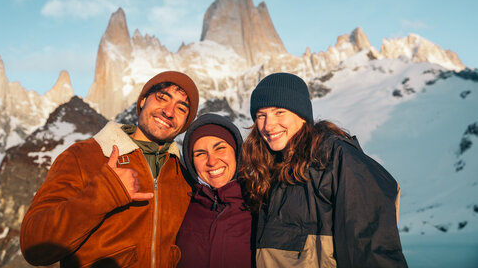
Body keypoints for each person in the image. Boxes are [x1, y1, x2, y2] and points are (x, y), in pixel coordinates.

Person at [20, 71, 199, 268]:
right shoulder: (83, 156)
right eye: (162, 97)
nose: (169, 111)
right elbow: (34, 247)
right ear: (142, 101)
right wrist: (105, 192)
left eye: (181, 109)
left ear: (184, 125)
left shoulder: (184, 176)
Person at [240, 72, 408, 268]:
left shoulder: (335, 159)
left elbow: (371, 250)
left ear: (302, 115)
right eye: (261, 116)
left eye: (279, 112)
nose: (268, 125)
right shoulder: (267, 170)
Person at [176, 113, 254, 268]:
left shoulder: (259, 205)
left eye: (220, 148)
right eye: (200, 154)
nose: (211, 161)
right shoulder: (181, 208)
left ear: (237, 152)